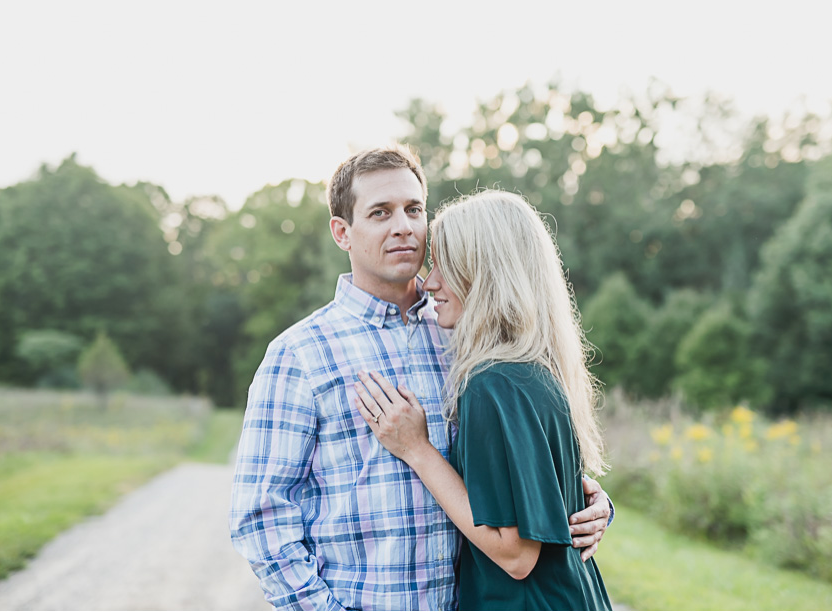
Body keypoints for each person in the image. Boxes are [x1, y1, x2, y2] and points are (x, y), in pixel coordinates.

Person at [229, 146, 612, 610]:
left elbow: (515, 468)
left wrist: (590, 503)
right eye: (380, 213)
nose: (403, 226)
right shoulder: (300, 355)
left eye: (413, 209)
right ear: (342, 233)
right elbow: (262, 518)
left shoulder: (469, 336)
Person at [353, 190, 611, 610]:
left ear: (486, 274)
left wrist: (417, 450)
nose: (430, 282)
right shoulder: (530, 369)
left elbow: (516, 555)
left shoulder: (493, 383)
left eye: (445, 267)